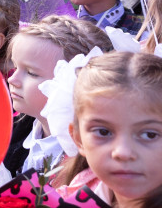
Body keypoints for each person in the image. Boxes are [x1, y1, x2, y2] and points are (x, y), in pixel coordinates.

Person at [3, 15, 113, 176]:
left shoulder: (84, 158)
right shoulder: (12, 132)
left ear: (73, 83)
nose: (12, 79)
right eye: (15, 66)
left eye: (31, 73)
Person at [56, 52, 162, 206]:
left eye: (149, 135)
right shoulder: (75, 194)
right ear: (78, 139)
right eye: (103, 132)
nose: (123, 152)